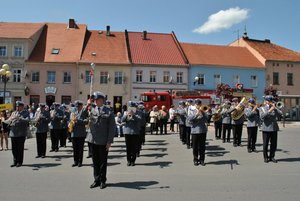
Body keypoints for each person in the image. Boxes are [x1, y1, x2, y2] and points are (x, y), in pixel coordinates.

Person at [86, 91, 116, 189]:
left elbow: (112, 127)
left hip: (103, 141)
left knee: (103, 162)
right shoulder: (92, 110)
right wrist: (87, 109)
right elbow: (89, 122)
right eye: (95, 100)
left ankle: (103, 180)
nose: (96, 102)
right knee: (95, 162)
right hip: (93, 140)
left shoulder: (109, 111)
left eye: (98, 100)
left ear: (102, 100)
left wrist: (109, 141)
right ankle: (96, 179)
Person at [259, 95, 283, 163]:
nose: (269, 102)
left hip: (274, 128)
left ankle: (272, 156)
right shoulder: (262, 108)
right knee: (265, 144)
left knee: (274, 144)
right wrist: (270, 110)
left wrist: (275, 108)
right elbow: (262, 117)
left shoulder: (275, 108)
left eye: (271, 101)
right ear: (266, 101)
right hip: (266, 128)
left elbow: (280, 115)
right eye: (268, 101)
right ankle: (265, 157)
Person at [6, 101, 30, 167]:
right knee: (14, 148)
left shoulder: (26, 112)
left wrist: (19, 118)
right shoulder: (14, 112)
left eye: (18, 106)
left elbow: (27, 120)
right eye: (16, 106)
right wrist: (9, 121)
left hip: (21, 133)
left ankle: (19, 162)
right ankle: (15, 161)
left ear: (22, 106)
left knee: (20, 148)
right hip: (13, 133)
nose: (17, 108)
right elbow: (10, 120)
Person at [187, 99, 208, 166]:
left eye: (199, 104)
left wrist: (203, 112)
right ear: (195, 105)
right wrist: (196, 114)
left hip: (202, 130)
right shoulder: (191, 110)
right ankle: (195, 160)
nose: (198, 105)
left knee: (202, 147)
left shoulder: (203, 111)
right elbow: (189, 119)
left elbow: (207, 119)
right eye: (197, 104)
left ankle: (202, 160)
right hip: (195, 131)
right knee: (195, 147)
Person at [70, 100, 89, 167]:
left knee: (80, 149)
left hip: (81, 133)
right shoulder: (74, 112)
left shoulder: (84, 112)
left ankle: (80, 162)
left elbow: (86, 121)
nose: (77, 108)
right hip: (74, 133)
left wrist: (78, 121)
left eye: (78, 106)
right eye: (76, 106)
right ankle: (75, 161)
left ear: (81, 106)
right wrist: (71, 123)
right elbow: (71, 121)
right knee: (75, 149)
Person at [122, 101, 141, 166]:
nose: (131, 108)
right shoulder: (125, 112)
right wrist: (126, 115)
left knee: (134, 147)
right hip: (127, 132)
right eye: (130, 107)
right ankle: (128, 160)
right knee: (128, 147)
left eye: (132, 107)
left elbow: (139, 120)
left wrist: (134, 115)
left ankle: (133, 161)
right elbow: (122, 120)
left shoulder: (138, 112)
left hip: (135, 132)